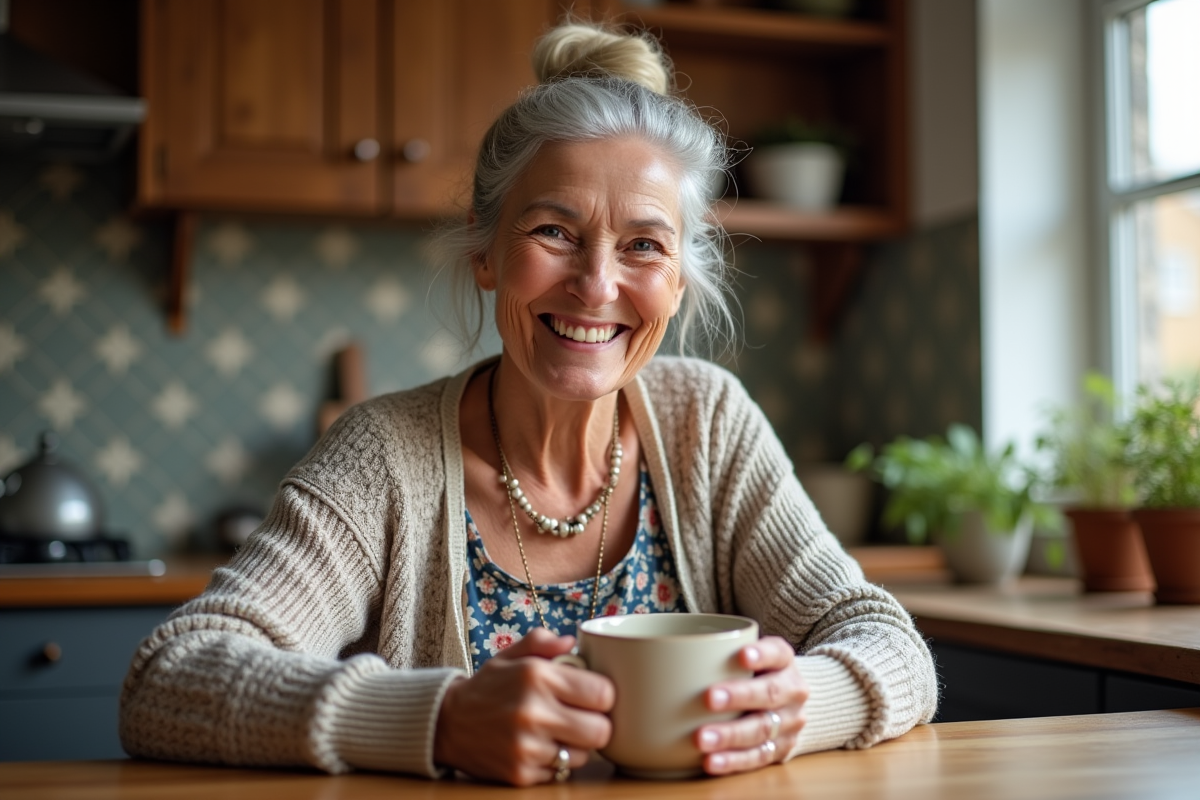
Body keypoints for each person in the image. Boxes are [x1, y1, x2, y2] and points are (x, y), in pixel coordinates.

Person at [119, 21, 937, 787]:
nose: (596, 285)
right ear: (486, 250)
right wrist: (435, 721)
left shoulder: (708, 423)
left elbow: (890, 645)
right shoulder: (385, 454)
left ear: (680, 281)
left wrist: (798, 708)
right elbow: (168, 680)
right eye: (554, 231)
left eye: (644, 245)